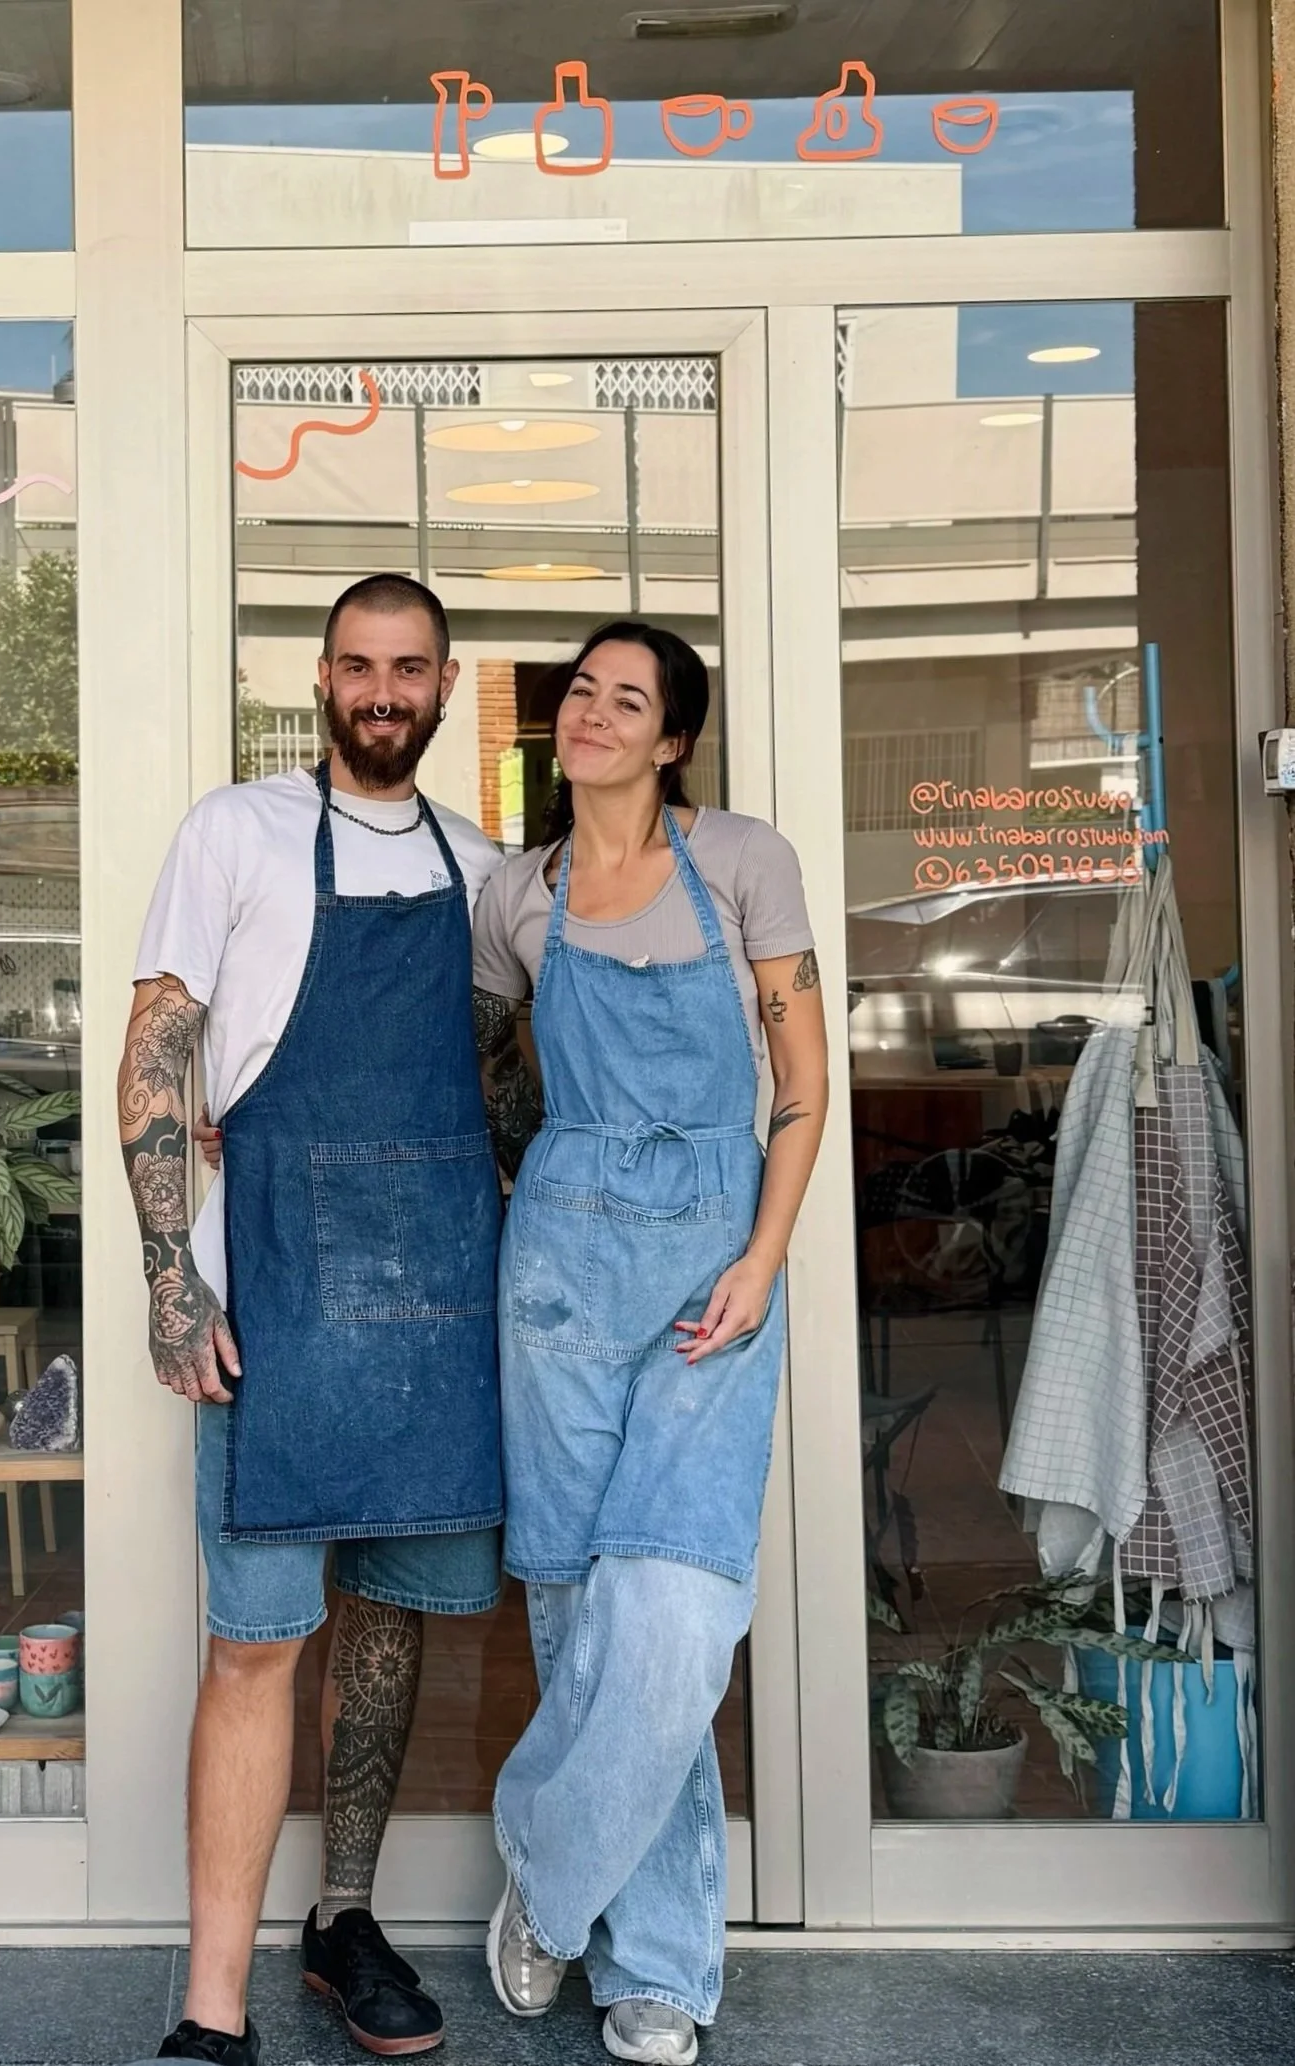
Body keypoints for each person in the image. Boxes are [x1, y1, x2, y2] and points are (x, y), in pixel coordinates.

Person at [120, 574, 506, 2066]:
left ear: (447, 684)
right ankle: (213, 2005)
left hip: (434, 1304)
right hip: (271, 1290)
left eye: (410, 668)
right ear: (324, 677)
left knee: (392, 1623)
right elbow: (157, 1059)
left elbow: (502, 1080)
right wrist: (172, 1277)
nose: (383, 690)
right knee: (258, 1639)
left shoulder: (483, 870)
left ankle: (343, 1919)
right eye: (359, 665)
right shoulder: (236, 832)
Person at [470, 621, 828, 2065]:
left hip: (712, 1269)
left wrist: (761, 1256)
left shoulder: (744, 861)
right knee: (579, 1610)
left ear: (675, 737)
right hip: (558, 1259)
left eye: (632, 700)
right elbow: (488, 1065)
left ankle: (550, 1882)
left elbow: (803, 1085)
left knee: (674, 1612)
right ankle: (659, 1970)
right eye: (582, 693)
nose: (597, 715)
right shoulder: (518, 893)